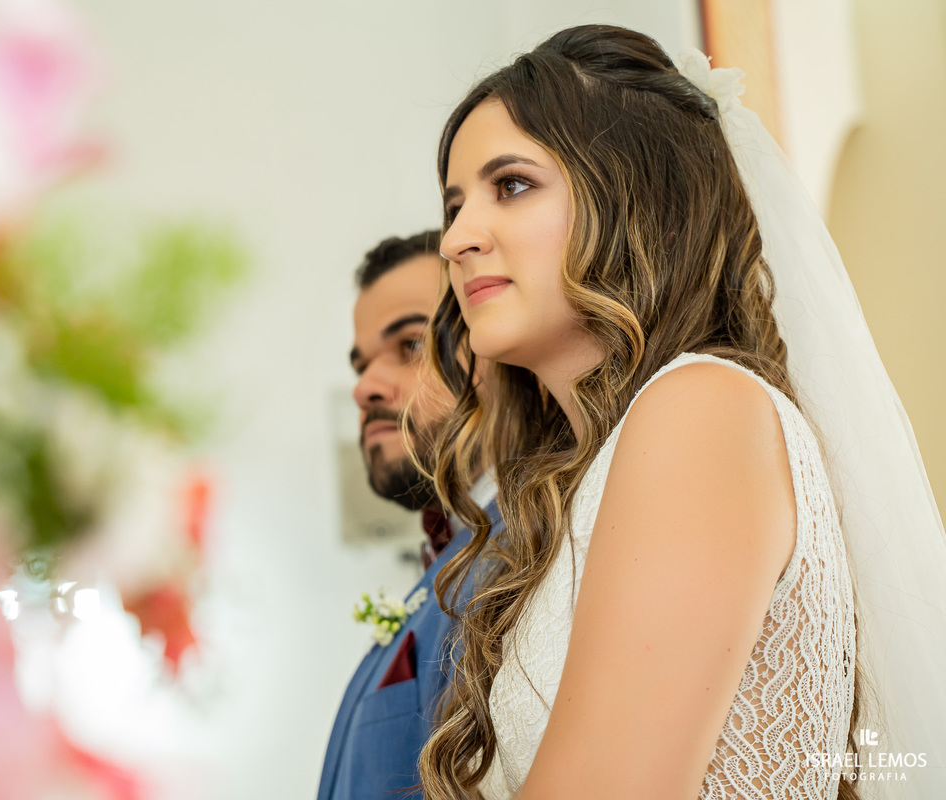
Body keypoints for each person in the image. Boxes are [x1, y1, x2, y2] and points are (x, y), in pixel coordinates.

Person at [418, 24, 946, 800]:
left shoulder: (702, 412)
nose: (457, 239)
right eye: (455, 205)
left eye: (514, 184)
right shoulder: (599, 470)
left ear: (636, 197)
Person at [316, 231, 499, 800]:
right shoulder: (451, 561)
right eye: (361, 364)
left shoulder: (530, 557)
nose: (364, 387)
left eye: (410, 346)